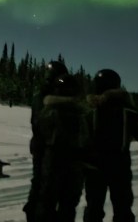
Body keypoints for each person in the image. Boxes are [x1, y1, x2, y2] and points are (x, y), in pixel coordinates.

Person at [84, 69, 138, 222]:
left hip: (94, 167)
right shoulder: (128, 109)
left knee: (93, 210)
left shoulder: (89, 109)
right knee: (122, 209)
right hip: (120, 167)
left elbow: (80, 138)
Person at [31, 72, 89, 222]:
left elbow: (39, 136)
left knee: (47, 204)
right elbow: (87, 140)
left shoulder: (48, 112)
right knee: (67, 207)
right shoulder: (82, 115)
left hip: (52, 164)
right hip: (74, 166)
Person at [23, 60, 68, 222]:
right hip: (50, 146)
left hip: (41, 144)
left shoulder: (41, 94)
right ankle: (39, 213)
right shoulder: (50, 96)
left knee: (39, 181)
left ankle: (34, 211)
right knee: (48, 184)